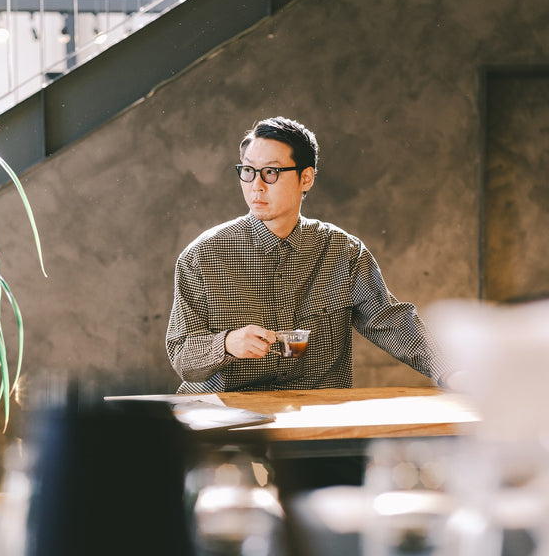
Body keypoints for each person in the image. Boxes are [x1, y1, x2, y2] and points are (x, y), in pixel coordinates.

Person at [166, 116, 451, 394]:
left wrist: (451, 371)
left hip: (314, 419)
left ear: (306, 178)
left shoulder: (343, 251)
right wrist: (226, 344)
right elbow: (181, 356)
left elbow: (390, 321)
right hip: (225, 421)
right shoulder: (203, 256)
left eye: (271, 172)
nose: (256, 185)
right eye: (249, 171)